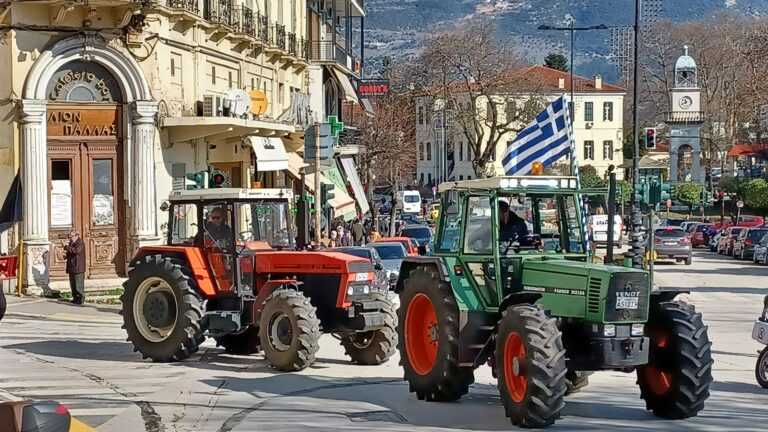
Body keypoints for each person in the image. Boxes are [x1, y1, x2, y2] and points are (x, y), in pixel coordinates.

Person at [65, 230, 85, 305]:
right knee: (73, 284)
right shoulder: (71, 242)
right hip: (71, 266)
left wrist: (67, 247)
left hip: (78, 266)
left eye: (71, 236)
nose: (70, 238)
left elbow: (76, 251)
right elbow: (71, 252)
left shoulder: (80, 242)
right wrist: (66, 256)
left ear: (77, 235)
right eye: (69, 236)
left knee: (78, 284)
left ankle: (80, 299)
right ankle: (75, 298)